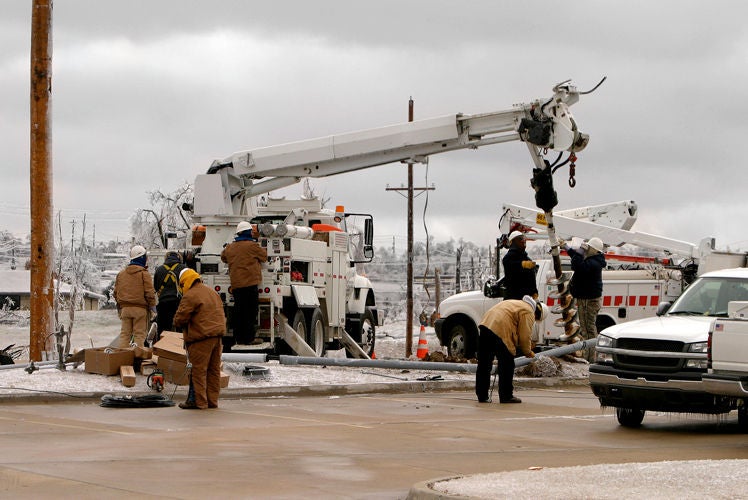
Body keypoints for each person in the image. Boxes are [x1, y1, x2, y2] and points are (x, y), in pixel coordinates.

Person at [475, 295, 547, 404]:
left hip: (485, 326)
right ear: (538, 314)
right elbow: (524, 335)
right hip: (500, 329)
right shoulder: (528, 311)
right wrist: (528, 352)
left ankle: (482, 395)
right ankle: (506, 396)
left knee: (484, 364)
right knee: (507, 364)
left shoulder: (515, 302)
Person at [172, 268, 226, 410]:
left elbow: (180, 318)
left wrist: (177, 323)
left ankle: (200, 402)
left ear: (184, 282)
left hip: (201, 338)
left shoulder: (190, 295)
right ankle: (212, 401)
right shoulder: (212, 292)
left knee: (199, 371)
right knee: (213, 371)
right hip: (217, 337)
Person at [220, 221, 267, 345]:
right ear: (248, 232)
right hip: (250, 284)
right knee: (250, 312)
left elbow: (223, 257)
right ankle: (249, 339)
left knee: (238, 311)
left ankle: (238, 338)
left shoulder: (230, 247)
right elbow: (264, 256)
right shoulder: (252, 246)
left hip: (236, 285)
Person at [560, 237, 606, 360]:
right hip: (585, 299)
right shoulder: (593, 260)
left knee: (588, 330)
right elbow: (577, 258)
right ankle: (589, 356)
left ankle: (591, 358)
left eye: (588, 248)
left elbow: (576, 264)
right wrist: (566, 247)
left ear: (594, 250)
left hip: (588, 300)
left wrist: (581, 249)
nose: (586, 249)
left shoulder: (594, 263)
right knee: (586, 329)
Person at [114, 245, 157, 348]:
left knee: (124, 335)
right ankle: (137, 360)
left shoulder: (121, 274)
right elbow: (149, 293)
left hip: (125, 310)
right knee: (139, 336)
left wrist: (120, 306)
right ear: (142, 258)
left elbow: (115, 293)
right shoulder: (143, 274)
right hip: (140, 310)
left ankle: (122, 359)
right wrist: (153, 308)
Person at [153, 251, 186, 339]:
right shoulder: (183, 269)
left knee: (163, 330)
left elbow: (156, 287)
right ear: (179, 258)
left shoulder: (159, 269)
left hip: (163, 303)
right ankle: (180, 349)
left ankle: (163, 349)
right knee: (181, 329)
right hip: (179, 303)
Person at [502, 230, 538, 300]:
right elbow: (510, 265)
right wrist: (522, 264)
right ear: (513, 242)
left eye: (524, 239)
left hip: (527, 299)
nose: (524, 241)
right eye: (521, 239)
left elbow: (532, 279)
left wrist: (534, 292)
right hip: (513, 299)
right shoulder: (508, 258)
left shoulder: (527, 259)